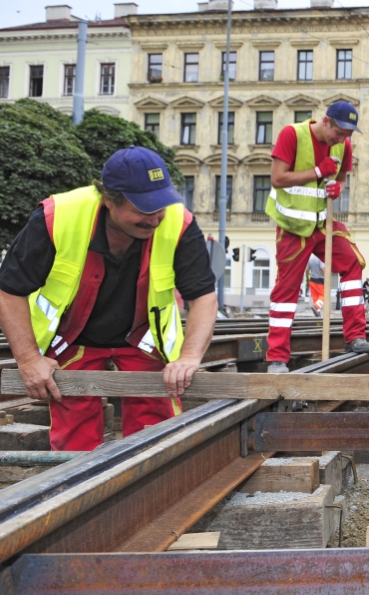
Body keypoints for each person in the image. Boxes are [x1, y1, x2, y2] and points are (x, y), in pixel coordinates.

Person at [0, 147, 218, 451]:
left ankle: (151, 486)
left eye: (162, 205)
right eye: (144, 209)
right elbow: (9, 290)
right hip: (73, 338)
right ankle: (78, 491)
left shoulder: (178, 223)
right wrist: (28, 360)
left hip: (143, 338)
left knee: (157, 428)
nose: (156, 218)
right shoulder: (57, 217)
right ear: (109, 200)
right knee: (74, 429)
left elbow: (204, 297)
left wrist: (190, 357)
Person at [266, 101, 369, 373]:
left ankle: (355, 336)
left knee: (352, 262)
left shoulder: (344, 145)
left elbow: (343, 178)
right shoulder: (292, 135)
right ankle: (276, 358)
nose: (342, 140)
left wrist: (338, 187)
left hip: (322, 224)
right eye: (339, 133)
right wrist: (318, 172)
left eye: (347, 136)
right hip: (292, 226)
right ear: (326, 121)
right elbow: (277, 178)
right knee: (286, 290)